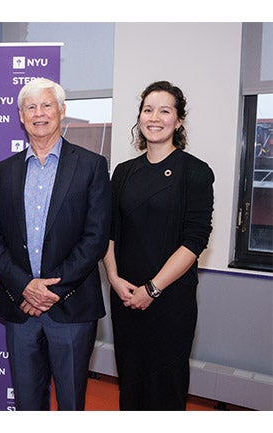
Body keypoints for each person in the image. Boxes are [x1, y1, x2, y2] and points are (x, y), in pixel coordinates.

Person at [0, 78, 111, 411]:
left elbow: (95, 238)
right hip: (20, 308)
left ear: (62, 111)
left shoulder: (92, 166)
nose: (39, 113)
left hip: (72, 308)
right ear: (21, 116)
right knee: (27, 404)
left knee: (70, 403)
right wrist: (25, 287)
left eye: (47, 105)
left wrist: (50, 290)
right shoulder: (3, 172)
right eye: (31, 107)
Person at [102, 81, 214, 410]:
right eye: (148, 109)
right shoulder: (123, 173)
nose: (155, 117)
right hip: (125, 297)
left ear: (178, 121)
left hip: (170, 302)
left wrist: (151, 289)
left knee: (166, 392)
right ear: (139, 117)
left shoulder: (195, 172)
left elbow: (195, 241)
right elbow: (109, 232)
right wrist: (113, 278)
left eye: (165, 110)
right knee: (131, 388)